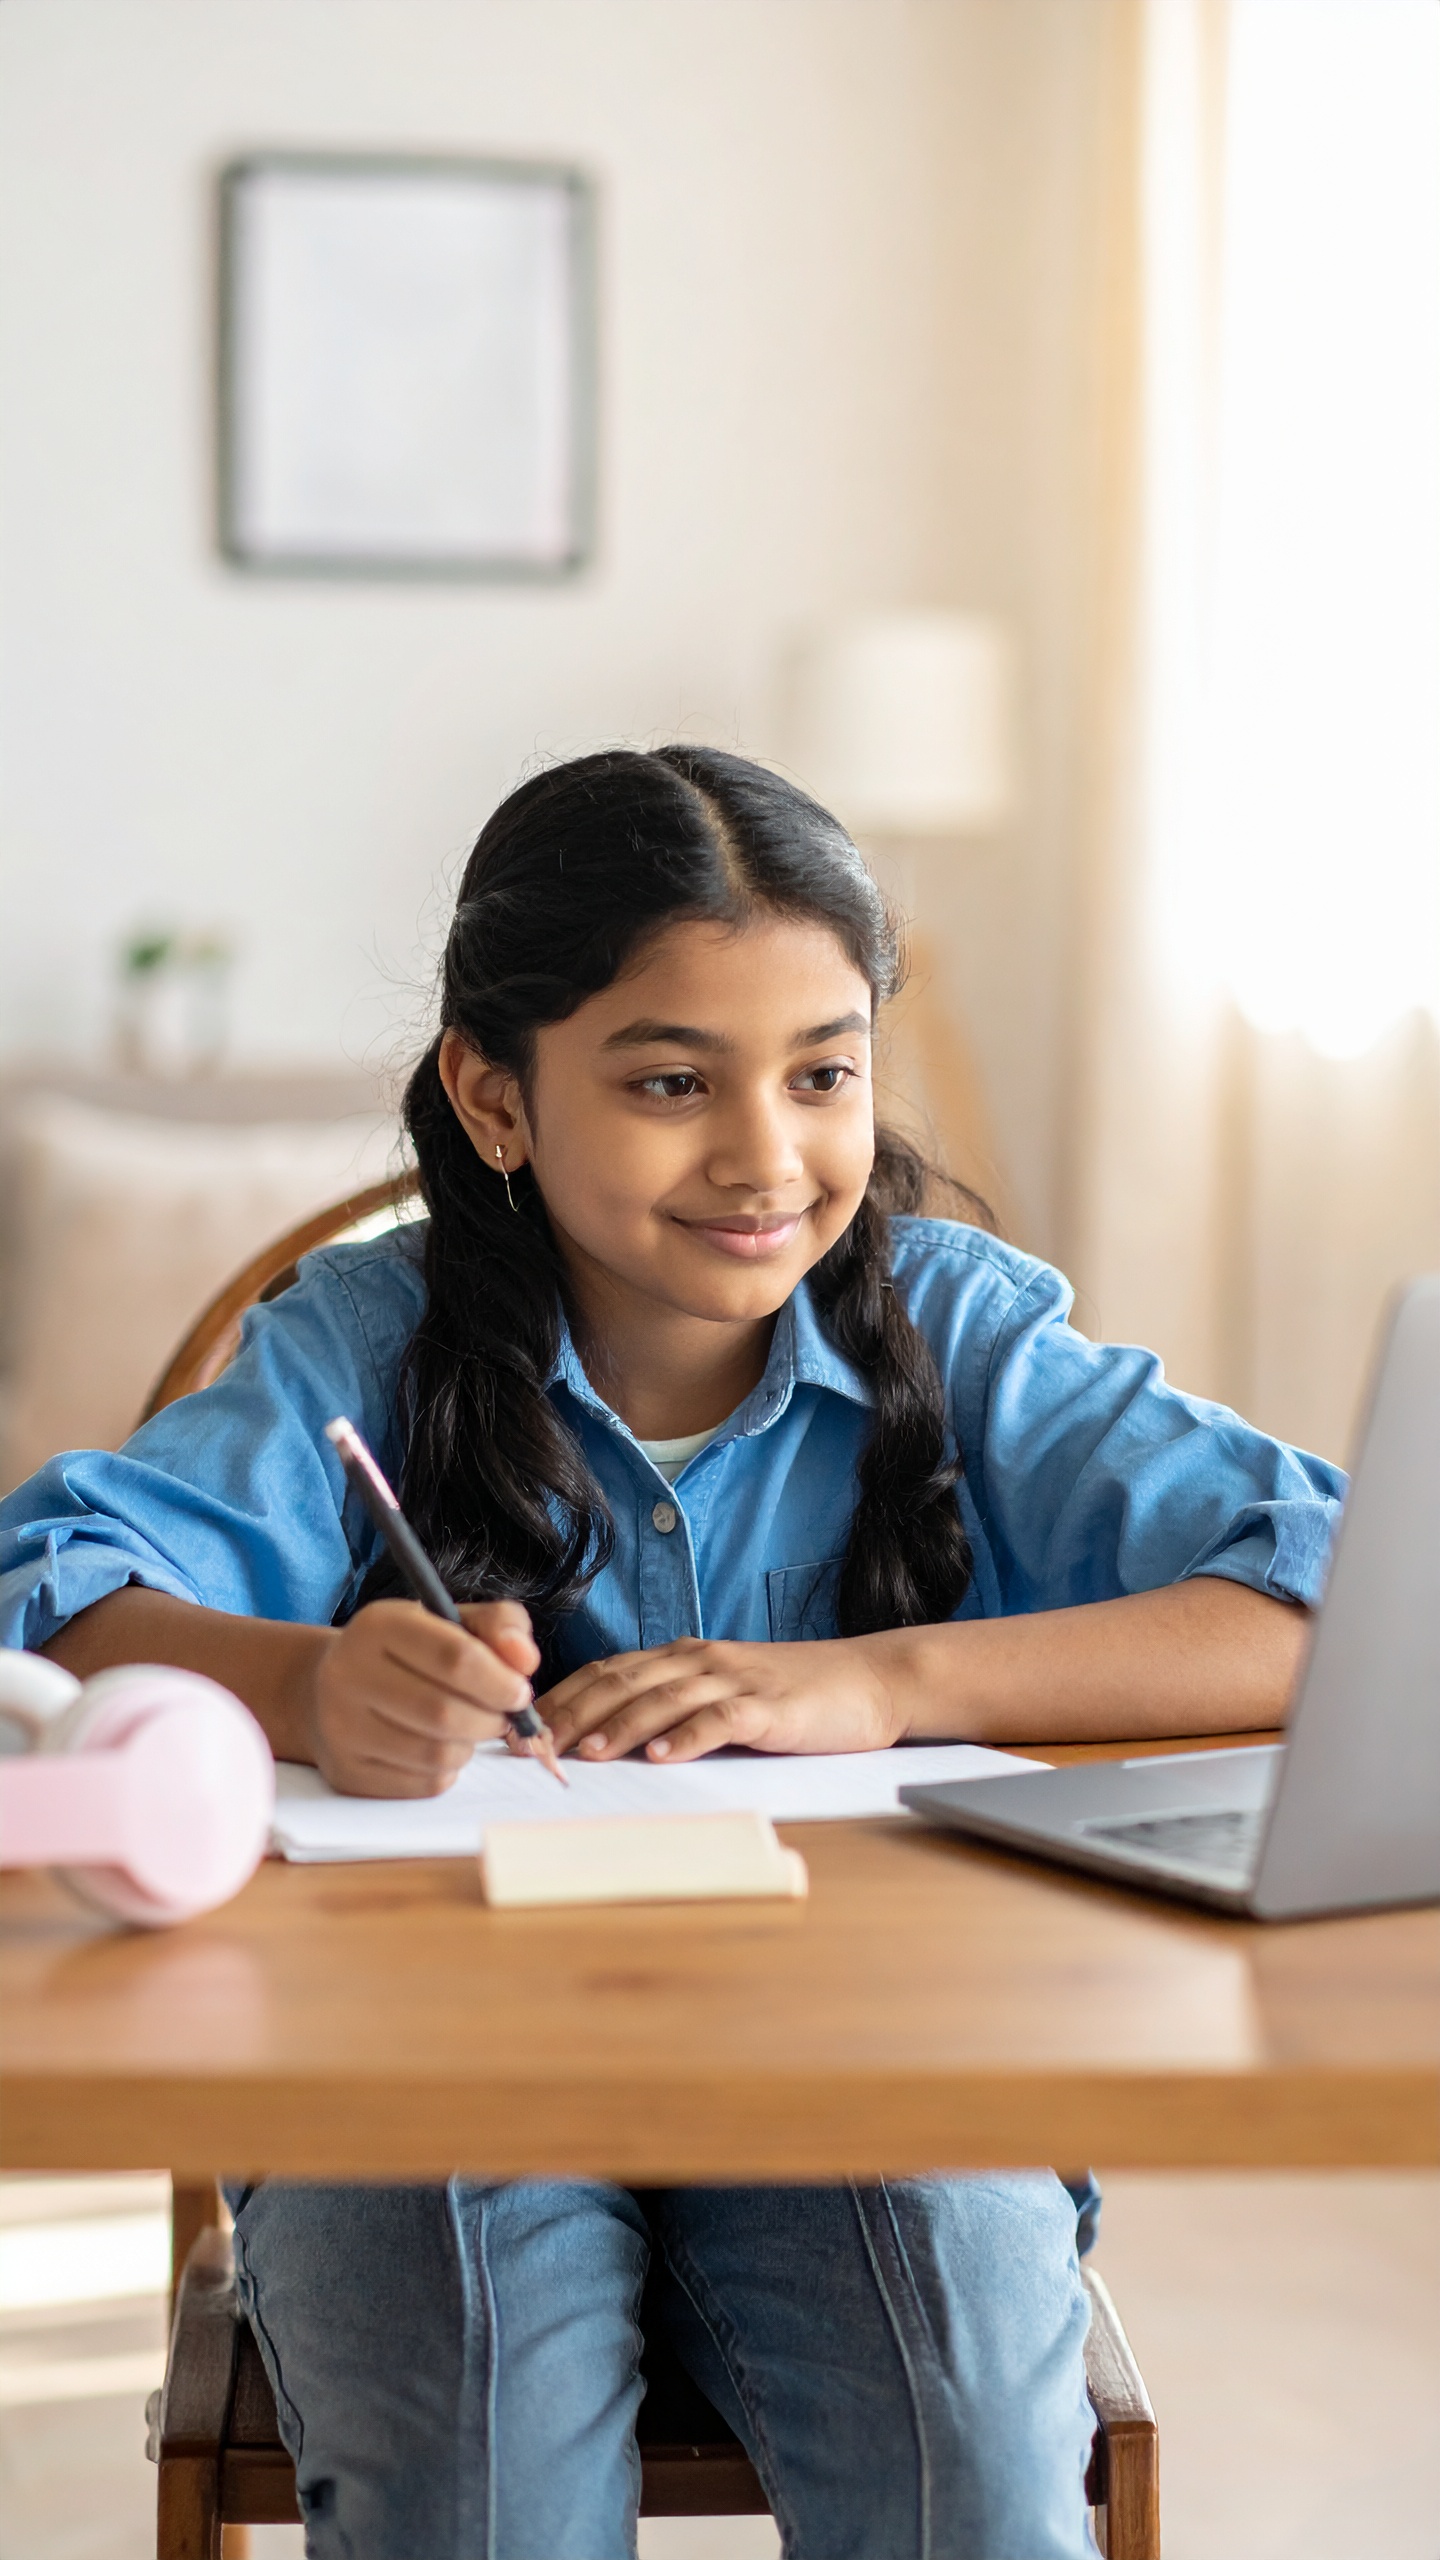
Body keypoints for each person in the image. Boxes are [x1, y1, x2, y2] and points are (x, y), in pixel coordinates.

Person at [0, 747, 1342, 2559]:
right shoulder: (358, 1341)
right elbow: (56, 1590)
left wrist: (887, 1683)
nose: (767, 1159)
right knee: (479, 2471)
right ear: (495, 1095)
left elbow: (1326, 1596)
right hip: (427, 2071)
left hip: (877, 2054)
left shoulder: (957, 1329)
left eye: (823, 1075)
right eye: (666, 1082)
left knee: (961, 2451)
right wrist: (312, 1685)